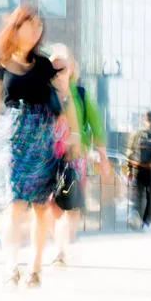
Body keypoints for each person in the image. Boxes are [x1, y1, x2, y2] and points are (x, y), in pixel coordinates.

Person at [0, 4, 79, 288]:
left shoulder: (46, 65)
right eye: (31, 25)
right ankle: (11, 265)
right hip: (11, 138)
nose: (37, 31)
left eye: (40, 27)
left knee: (39, 206)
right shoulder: (0, 64)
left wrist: (72, 136)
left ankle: (35, 269)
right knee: (13, 204)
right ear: (17, 26)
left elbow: (64, 101)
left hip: (42, 140)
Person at [47, 44, 111, 267]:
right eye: (53, 69)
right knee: (51, 206)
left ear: (72, 69)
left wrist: (103, 158)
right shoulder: (45, 93)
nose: (57, 73)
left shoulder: (81, 94)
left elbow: (95, 125)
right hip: (49, 157)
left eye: (62, 68)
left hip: (75, 157)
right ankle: (59, 247)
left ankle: (61, 248)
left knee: (71, 206)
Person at [126, 111, 151, 231]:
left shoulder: (136, 133)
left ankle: (135, 213)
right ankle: (146, 223)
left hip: (137, 168)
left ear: (144, 119)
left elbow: (129, 152)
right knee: (150, 198)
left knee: (137, 195)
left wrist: (129, 170)